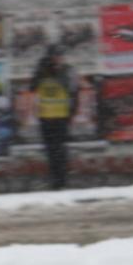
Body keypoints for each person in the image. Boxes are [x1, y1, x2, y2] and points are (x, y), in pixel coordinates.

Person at [30, 45, 80, 190]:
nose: (59, 59)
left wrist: (72, 112)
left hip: (61, 117)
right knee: (51, 150)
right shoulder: (42, 71)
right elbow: (32, 87)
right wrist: (43, 69)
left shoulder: (67, 70)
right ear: (50, 57)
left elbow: (73, 91)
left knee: (60, 150)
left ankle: (61, 180)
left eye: (60, 56)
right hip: (46, 117)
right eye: (56, 56)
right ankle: (55, 180)